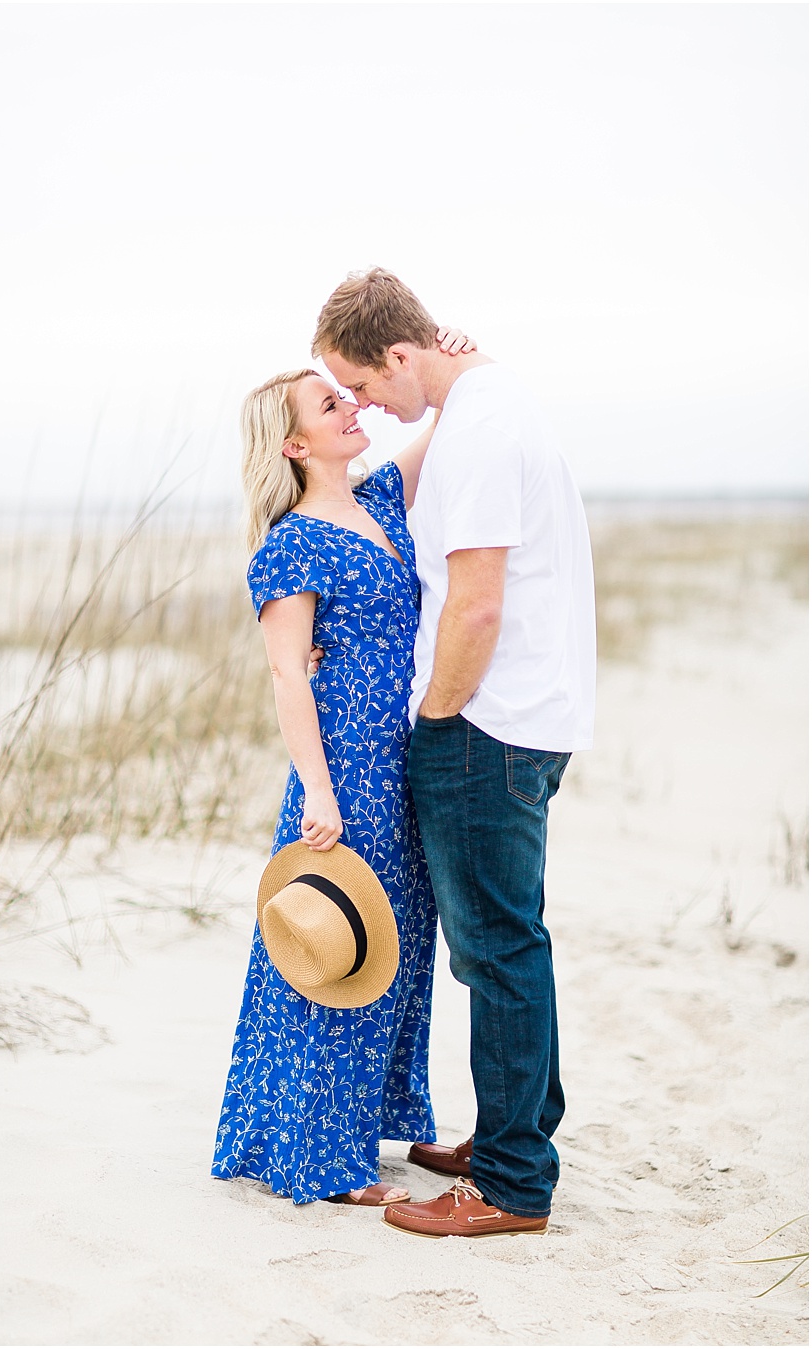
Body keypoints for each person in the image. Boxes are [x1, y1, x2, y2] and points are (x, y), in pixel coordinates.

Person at [313, 268, 595, 1238]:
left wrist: (436, 717)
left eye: (363, 383)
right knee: (514, 940)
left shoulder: (475, 429)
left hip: (487, 723)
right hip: (530, 713)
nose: (366, 407)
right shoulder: (490, 400)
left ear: (402, 353)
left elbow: (476, 602)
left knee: (498, 949)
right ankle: (516, 1133)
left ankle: (513, 1183)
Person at [210, 348, 455, 1206]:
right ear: (294, 446)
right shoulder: (292, 545)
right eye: (329, 405)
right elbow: (288, 674)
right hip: (343, 770)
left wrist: (451, 359)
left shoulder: (380, 501)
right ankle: (324, 1162)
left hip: (402, 762)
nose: (350, 406)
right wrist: (318, 789)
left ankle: (353, 1129)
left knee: (394, 944)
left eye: (346, 395)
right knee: (335, 943)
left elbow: (442, 417)